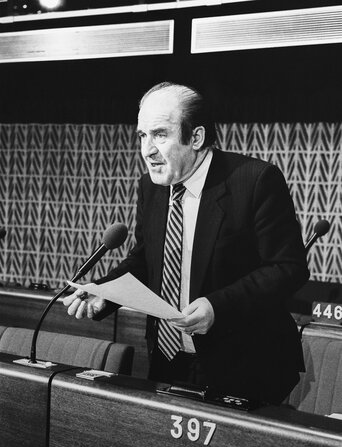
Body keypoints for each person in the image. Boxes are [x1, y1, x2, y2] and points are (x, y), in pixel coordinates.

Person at [63, 81, 309, 404]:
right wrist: (103, 292)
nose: (146, 150)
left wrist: (216, 307)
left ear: (196, 137)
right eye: (142, 136)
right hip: (169, 360)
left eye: (160, 134)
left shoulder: (255, 181)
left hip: (246, 366)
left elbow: (288, 268)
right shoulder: (151, 188)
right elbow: (145, 260)